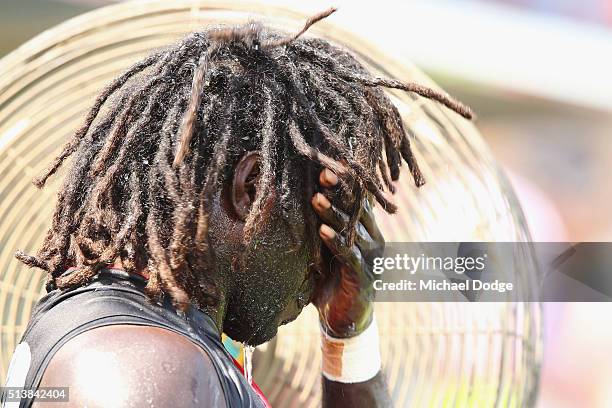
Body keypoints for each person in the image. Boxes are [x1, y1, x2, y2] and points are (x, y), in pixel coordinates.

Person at [1, 8, 472, 408]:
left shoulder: (140, 340)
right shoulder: (144, 367)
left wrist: (349, 331)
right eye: (322, 223)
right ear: (251, 191)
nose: (328, 262)